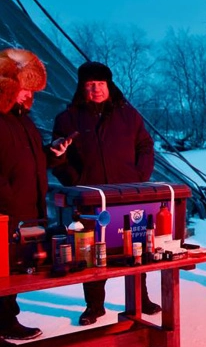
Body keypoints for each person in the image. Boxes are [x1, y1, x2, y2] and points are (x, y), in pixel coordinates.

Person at [52, 61, 160, 326]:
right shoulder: (68, 118)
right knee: (90, 251)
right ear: (82, 87)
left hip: (127, 194)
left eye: (100, 84)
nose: (96, 89)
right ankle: (94, 305)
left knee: (135, 248)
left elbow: (145, 145)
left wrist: (139, 177)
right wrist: (75, 181)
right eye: (90, 85)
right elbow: (57, 157)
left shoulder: (128, 114)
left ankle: (140, 298)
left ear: (109, 85)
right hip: (90, 197)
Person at [0, 48, 71, 346]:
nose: (28, 95)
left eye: (31, 90)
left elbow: (28, 162)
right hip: (5, 210)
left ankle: (6, 320)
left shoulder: (23, 121)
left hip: (27, 208)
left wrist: (51, 155)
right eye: (24, 88)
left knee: (13, 272)